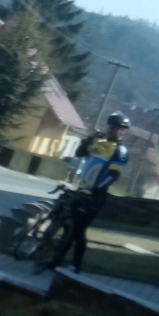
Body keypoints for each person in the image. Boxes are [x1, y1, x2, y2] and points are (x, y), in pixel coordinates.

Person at [42, 111, 130, 272]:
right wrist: (89, 139)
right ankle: (53, 258)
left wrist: (96, 189)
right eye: (112, 126)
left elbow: (113, 175)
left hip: (96, 196)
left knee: (78, 231)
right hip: (81, 190)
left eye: (118, 128)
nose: (114, 130)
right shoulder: (99, 143)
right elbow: (79, 153)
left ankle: (73, 265)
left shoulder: (120, 151)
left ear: (123, 131)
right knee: (66, 225)